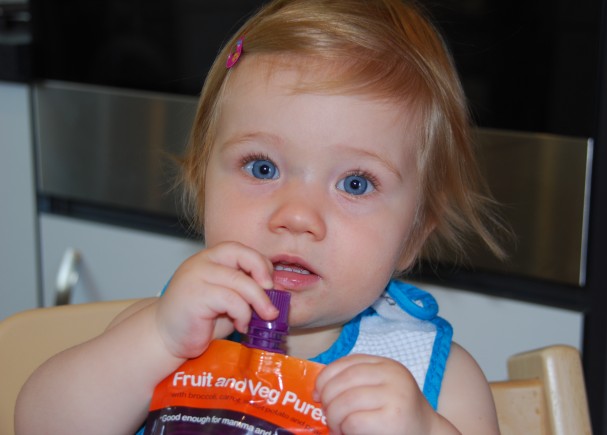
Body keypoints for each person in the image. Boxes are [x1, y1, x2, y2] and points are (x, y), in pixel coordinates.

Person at [16, 0, 506, 433]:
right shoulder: (165, 336)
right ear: (202, 187)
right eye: (262, 168)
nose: (297, 216)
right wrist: (159, 339)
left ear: (413, 237)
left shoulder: (439, 383)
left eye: (355, 183)